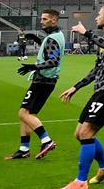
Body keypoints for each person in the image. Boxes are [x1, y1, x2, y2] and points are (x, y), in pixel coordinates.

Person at [54, 4, 104, 189]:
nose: (96, 18)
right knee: (79, 133)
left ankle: (80, 182)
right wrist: (76, 87)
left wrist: (86, 33)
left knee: (86, 133)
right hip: (100, 90)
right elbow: (97, 69)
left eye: (98, 15)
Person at [6, 8, 64, 160]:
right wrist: (37, 40)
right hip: (46, 81)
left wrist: (32, 66)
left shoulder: (52, 38)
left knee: (23, 113)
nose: (41, 21)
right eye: (41, 18)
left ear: (53, 20)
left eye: (44, 19)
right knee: (27, 114)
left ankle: (47, 140)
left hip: (43, 81)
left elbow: (53, 60)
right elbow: (50, 52)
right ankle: (24, 149)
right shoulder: (55, 36)